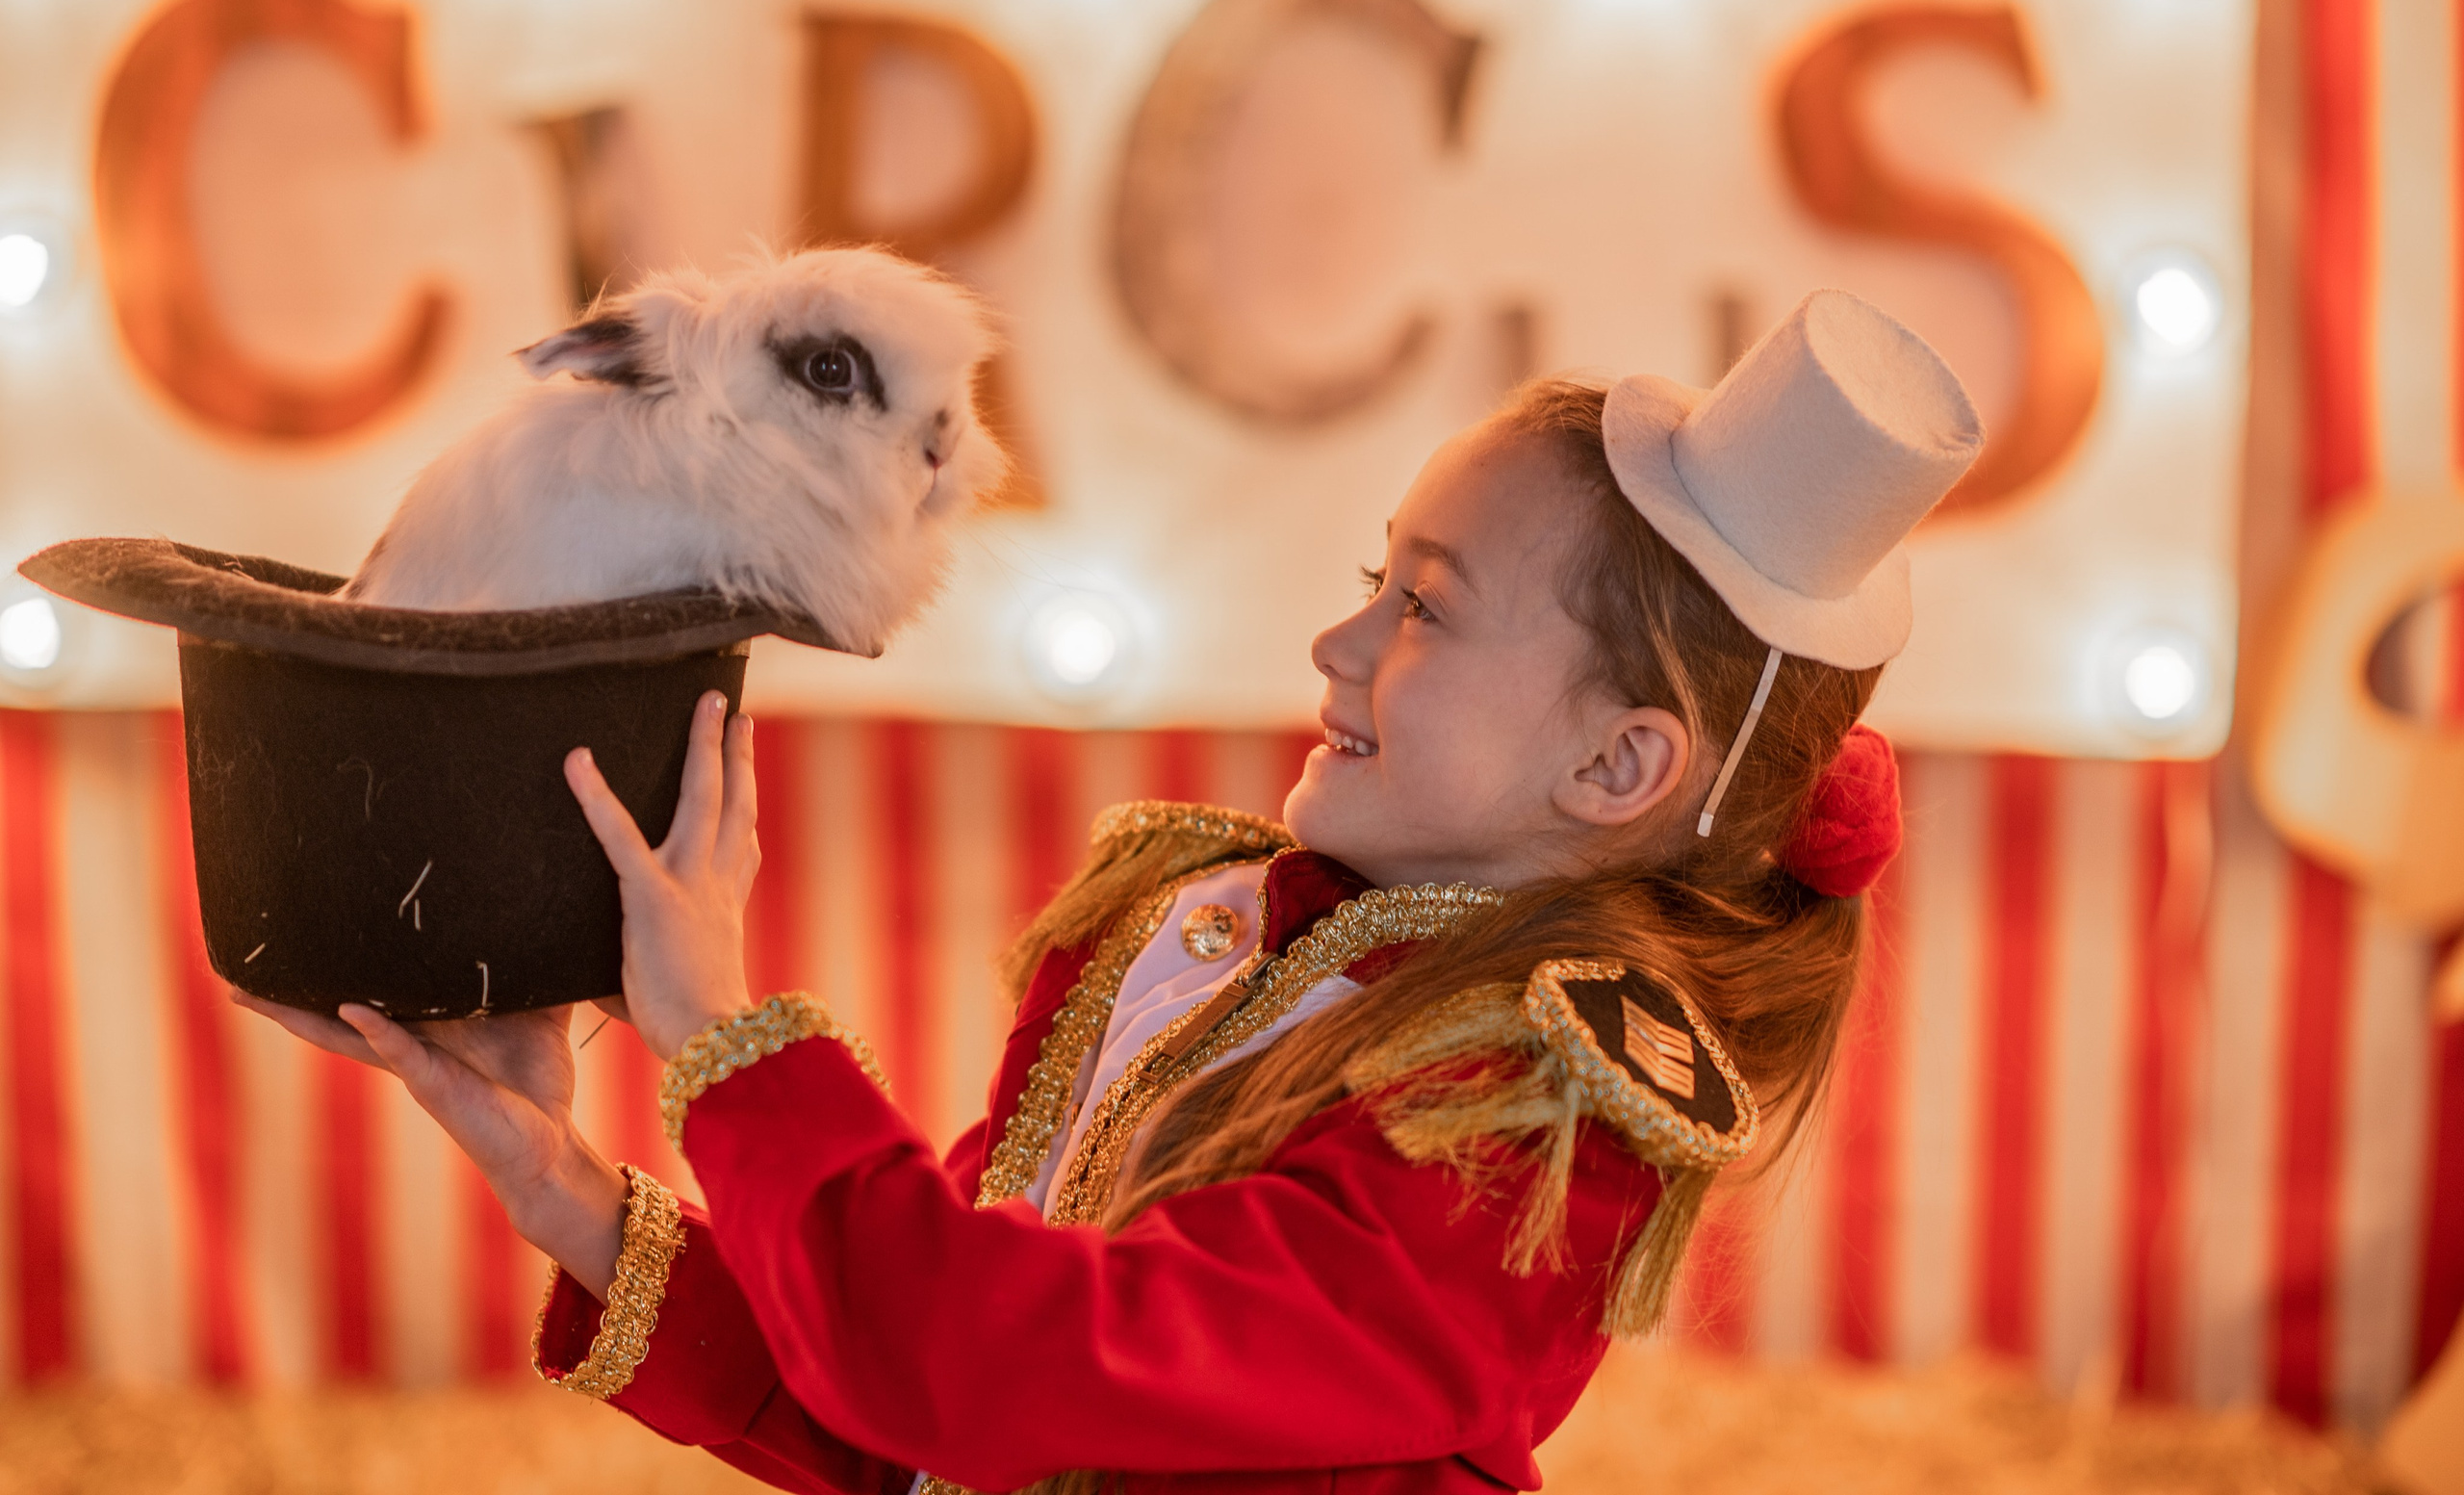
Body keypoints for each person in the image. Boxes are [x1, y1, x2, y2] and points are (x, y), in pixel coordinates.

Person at [243, 288, 1981, 1494]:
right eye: (1375, 575)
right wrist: (587, 1209)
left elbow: (977, 1362)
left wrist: (730, 1036)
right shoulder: (1205, 936)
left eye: (1429, 607)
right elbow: (937, 1439)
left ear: (1619, 767)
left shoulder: (1528, 1132)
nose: (1341, 638)